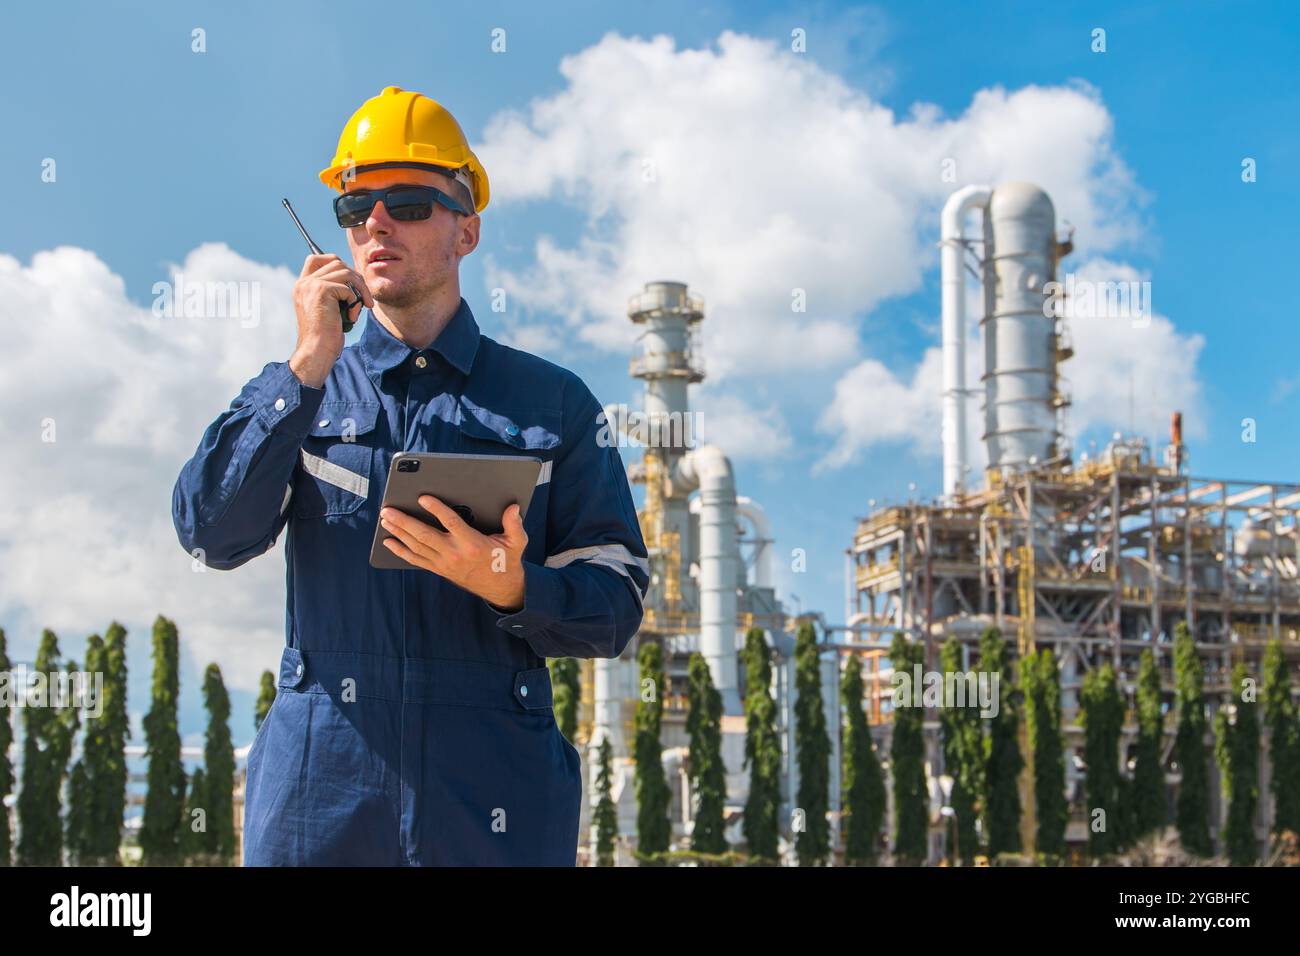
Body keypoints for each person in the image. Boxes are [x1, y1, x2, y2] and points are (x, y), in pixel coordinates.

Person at [171, 86, 648, 866]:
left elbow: (618, 601)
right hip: (320, 798)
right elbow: (210, 534)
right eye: (355, 209)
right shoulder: (304, 392)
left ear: (467, 229)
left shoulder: (551, 402)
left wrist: (514, 586)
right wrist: (305, 365)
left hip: (496, 798)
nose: (376, 224)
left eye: (407, 203)